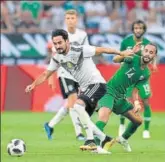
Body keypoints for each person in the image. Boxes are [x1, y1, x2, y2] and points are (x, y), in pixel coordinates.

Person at [25, 29, 133, 151]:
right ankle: (104, 138)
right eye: (55, 43)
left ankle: (90, 141)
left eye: (60, 42)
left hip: (97, 84)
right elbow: (46, 74)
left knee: (77, 106)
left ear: (67, 41)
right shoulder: (57, 58)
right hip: (86, 89)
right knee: (82, 117)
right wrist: (33, 85)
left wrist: (121, 52)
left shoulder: (80, 50)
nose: (57, 46)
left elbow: (102, 49)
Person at [95, 43, 157, 152]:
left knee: (137, 121)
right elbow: (115, 59)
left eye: (151, 52)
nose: (147, 54)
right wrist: (126, 54)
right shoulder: (133, 58)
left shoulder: (146, 73)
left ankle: (123, 139)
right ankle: (95, 146)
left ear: (154, 56)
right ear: (143, 51)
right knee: (104, 116)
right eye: (146, 51)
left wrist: (136, 102)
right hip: (109, 91)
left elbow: (135, 90)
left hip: (120, 97)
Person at [45, 9, 89, 141]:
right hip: (64, 73)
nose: (70, 20)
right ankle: (79, 133)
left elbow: (86, 53)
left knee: (71, 104)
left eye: (73, 18)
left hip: (78, 73)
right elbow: (54, 56)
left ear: (77, 19)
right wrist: (51, 76)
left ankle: (50, 125)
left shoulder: (83, 35)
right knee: (74, 101)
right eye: (68, 18)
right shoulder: (60, 36)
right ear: (65, 20)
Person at [119, 20, 156, 139]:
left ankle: (146, 130)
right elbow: (121, 55)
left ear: (143, 30)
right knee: (127, 100)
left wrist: (154, 64)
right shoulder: (126, 42)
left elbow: (153, 54)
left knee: (146, 101)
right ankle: (122, 125)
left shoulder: (147, 43)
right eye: (136, 28)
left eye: (140, 28)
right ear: (133, 29)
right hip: (130, 75)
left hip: (142, 77)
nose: (138, 30)